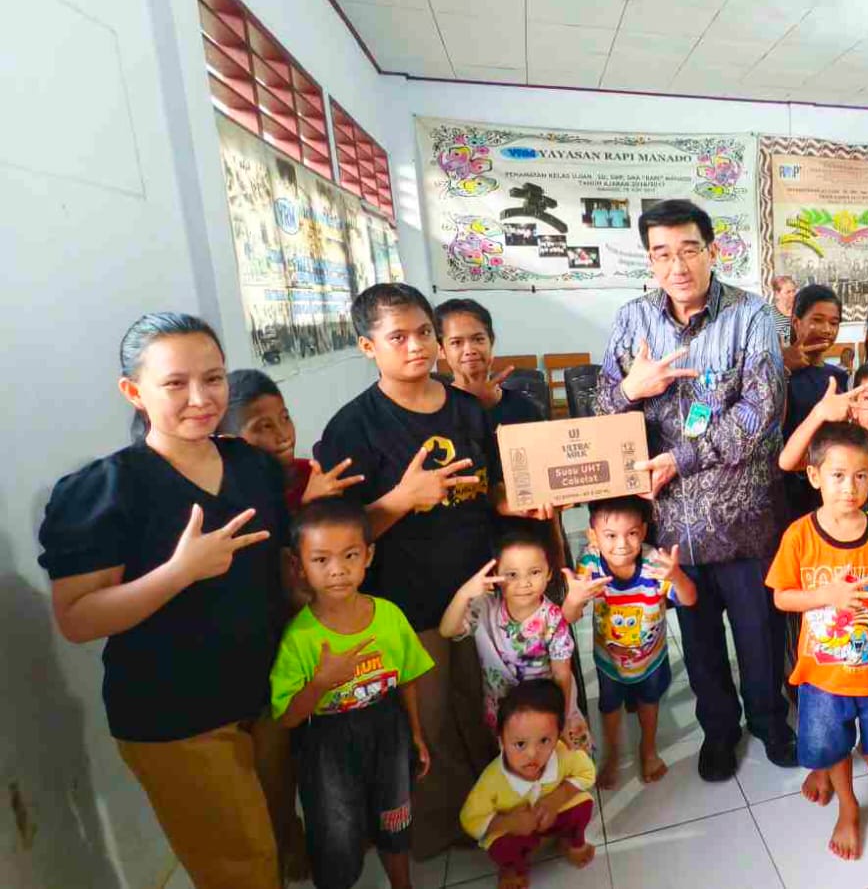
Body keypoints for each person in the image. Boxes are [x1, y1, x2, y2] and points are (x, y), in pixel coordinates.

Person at [38, 313, 297, 889]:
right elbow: (76, 618)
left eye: (214, 378)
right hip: (177, 716)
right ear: (134, 392)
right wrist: (180, 573)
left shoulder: (252, 466)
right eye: (176, 383)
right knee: (241, 868)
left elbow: (273, 572)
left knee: (277, 838)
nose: (201, 399)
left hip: (265, 693)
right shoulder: (107, 488)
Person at [593, 199, 796, 780]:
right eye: (662, 254)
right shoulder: (632, 320)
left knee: (759, 635)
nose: (677, 266)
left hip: (744, 518)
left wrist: (681, 457)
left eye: (688, 250)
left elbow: (759, 414)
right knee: (698, 638)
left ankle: (770, 721)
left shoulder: (752, 316)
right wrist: (630, 390)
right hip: (671, 523)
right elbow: (602, 410)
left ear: (712, 250)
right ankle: (719, 731)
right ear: (650, 260)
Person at [316, 283, 516, 853]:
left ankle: (495, 808)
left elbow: (487, 489)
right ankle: (437, 829)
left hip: (481, 586)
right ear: (367, 347)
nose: (417, 347)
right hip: (408, 600)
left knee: (483, 703)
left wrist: (520, 502)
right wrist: (402, 499)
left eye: (425, 332)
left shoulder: (465, 408)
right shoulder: (353, 427)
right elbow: (338, 539)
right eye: (397, 337)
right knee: (426, 720)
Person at [768, 422, 868, 870]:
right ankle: (848, 807)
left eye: (860, 476)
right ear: (814, 475)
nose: (849, 487)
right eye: (838, 475)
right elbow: (782, 597)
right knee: (833, 748)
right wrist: (826, 596)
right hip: (823, 678)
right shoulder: (800, 536)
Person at [269, 498, 433, 889]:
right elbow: (287, 717)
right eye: (321, 559)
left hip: (388, 730)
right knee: (336, 832)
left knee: (395, 816)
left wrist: (416, 734)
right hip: (327, 744)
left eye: (350, 555)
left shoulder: (389, 616)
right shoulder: (299, 637)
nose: (337, 570)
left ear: (368, 556)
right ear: (299, 566)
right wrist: (321, 682)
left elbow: (407, 678)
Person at [562, 496, 698, 789]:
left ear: (644, 531)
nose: (622, 544)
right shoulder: (589, 564)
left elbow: (689, 599)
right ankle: (611, 755)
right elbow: (569, 617)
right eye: (610, 535)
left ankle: (648, 749)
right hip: (609, 662)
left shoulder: (654, 563)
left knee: (649, 702)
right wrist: (574, 599)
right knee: (610, 706)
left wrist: (676, 576)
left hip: (651, 658)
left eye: (632, 533)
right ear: (592, 536)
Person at [441, 526, 587, 747]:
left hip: (549, 712)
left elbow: (562, 675)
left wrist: (562, 719)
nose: (524, 583)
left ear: (549, 573)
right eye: (512, 575)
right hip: (505, 713)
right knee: (517, 765)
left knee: (564, 760)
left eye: (534, 572)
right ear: (496, 576)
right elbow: (447, 630)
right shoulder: (484, 607)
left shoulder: (553, 618)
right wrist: (464, 594)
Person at [459, 679, 598, 887]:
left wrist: (556, 800)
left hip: (554, 815)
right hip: (516, 829)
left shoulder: (562, 753)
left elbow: (587, 773)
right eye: (520, 744)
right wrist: (509, 823)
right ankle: (513, 867)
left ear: (558, 735)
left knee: (583, 805)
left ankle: (571, 841)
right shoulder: (492, 780)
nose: (532, 754)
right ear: (501, 740)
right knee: (500, 845)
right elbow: (470, 819)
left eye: (544, 741)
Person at [224, 369, 364, 512]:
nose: (284, 435)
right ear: (230, 438)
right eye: (266, 426)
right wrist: (308, 505)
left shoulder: (310, 474)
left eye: (285, 418)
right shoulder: (230, 498)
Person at [782, 284, 849, 519]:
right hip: (788, 483)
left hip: (830, 484)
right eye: (817, 320)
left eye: (834, 323)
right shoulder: (778, 370)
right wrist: (782, 368)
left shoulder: (839, 377)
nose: (827, 329)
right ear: (796, 322)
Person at [436, 298, 546, 427]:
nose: (469, 350)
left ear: (491, 341)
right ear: (441, 349)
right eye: (456, 342)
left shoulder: (525, 409)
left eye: (478, 339)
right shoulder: (435, 412)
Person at [769, 275, 799, 343]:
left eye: (794, 291)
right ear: (777, 294)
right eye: (788, 292)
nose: (792, 295)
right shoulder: (767, 313)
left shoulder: (802, 311)